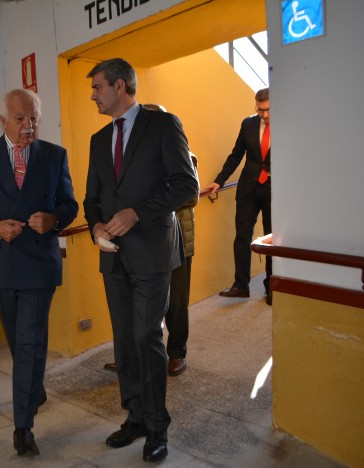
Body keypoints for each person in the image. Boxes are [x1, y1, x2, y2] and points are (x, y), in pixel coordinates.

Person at [83, 59, 199, 463]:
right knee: (124, 339)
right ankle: (133, 416)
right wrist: (96, 225)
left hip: (151, 252)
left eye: (98, 87)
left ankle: (156, 426)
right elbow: (92, 198)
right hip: (113, 259)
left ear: (120, 86)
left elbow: (187, 185)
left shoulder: (163, 126)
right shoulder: (99, 140)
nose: (93, 95)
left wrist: (137, 212)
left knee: (148, 337)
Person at [0, 89, 78, 457]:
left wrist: (54, 218)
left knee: (29, 342)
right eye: (21, 119)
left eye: (34, 118)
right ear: (3, 121)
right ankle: (33, 386)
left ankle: (23, 427)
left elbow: (70, 204)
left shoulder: (54, 155)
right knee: (18, 340)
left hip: (39, 264)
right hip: (1, 263)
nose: (29, 126)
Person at [103, 103, 199, 378]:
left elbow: (190, 195)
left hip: (178, 238)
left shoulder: (184, 155)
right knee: (138, 306)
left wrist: (151, 203)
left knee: (177, 302)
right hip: (142, 241)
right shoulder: (133, 157)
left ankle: (177, 353)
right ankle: (132, 357)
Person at [207, 88, 272, 305]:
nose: (263, 115)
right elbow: (236, 155)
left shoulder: (289, 123)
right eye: (259, 109)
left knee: (274, 240)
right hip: (248, 190)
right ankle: (241, 285)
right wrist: (220, 180)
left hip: (274, 190)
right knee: (242, 236)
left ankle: (272, 287)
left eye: (267, 110)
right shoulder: (248, 124)